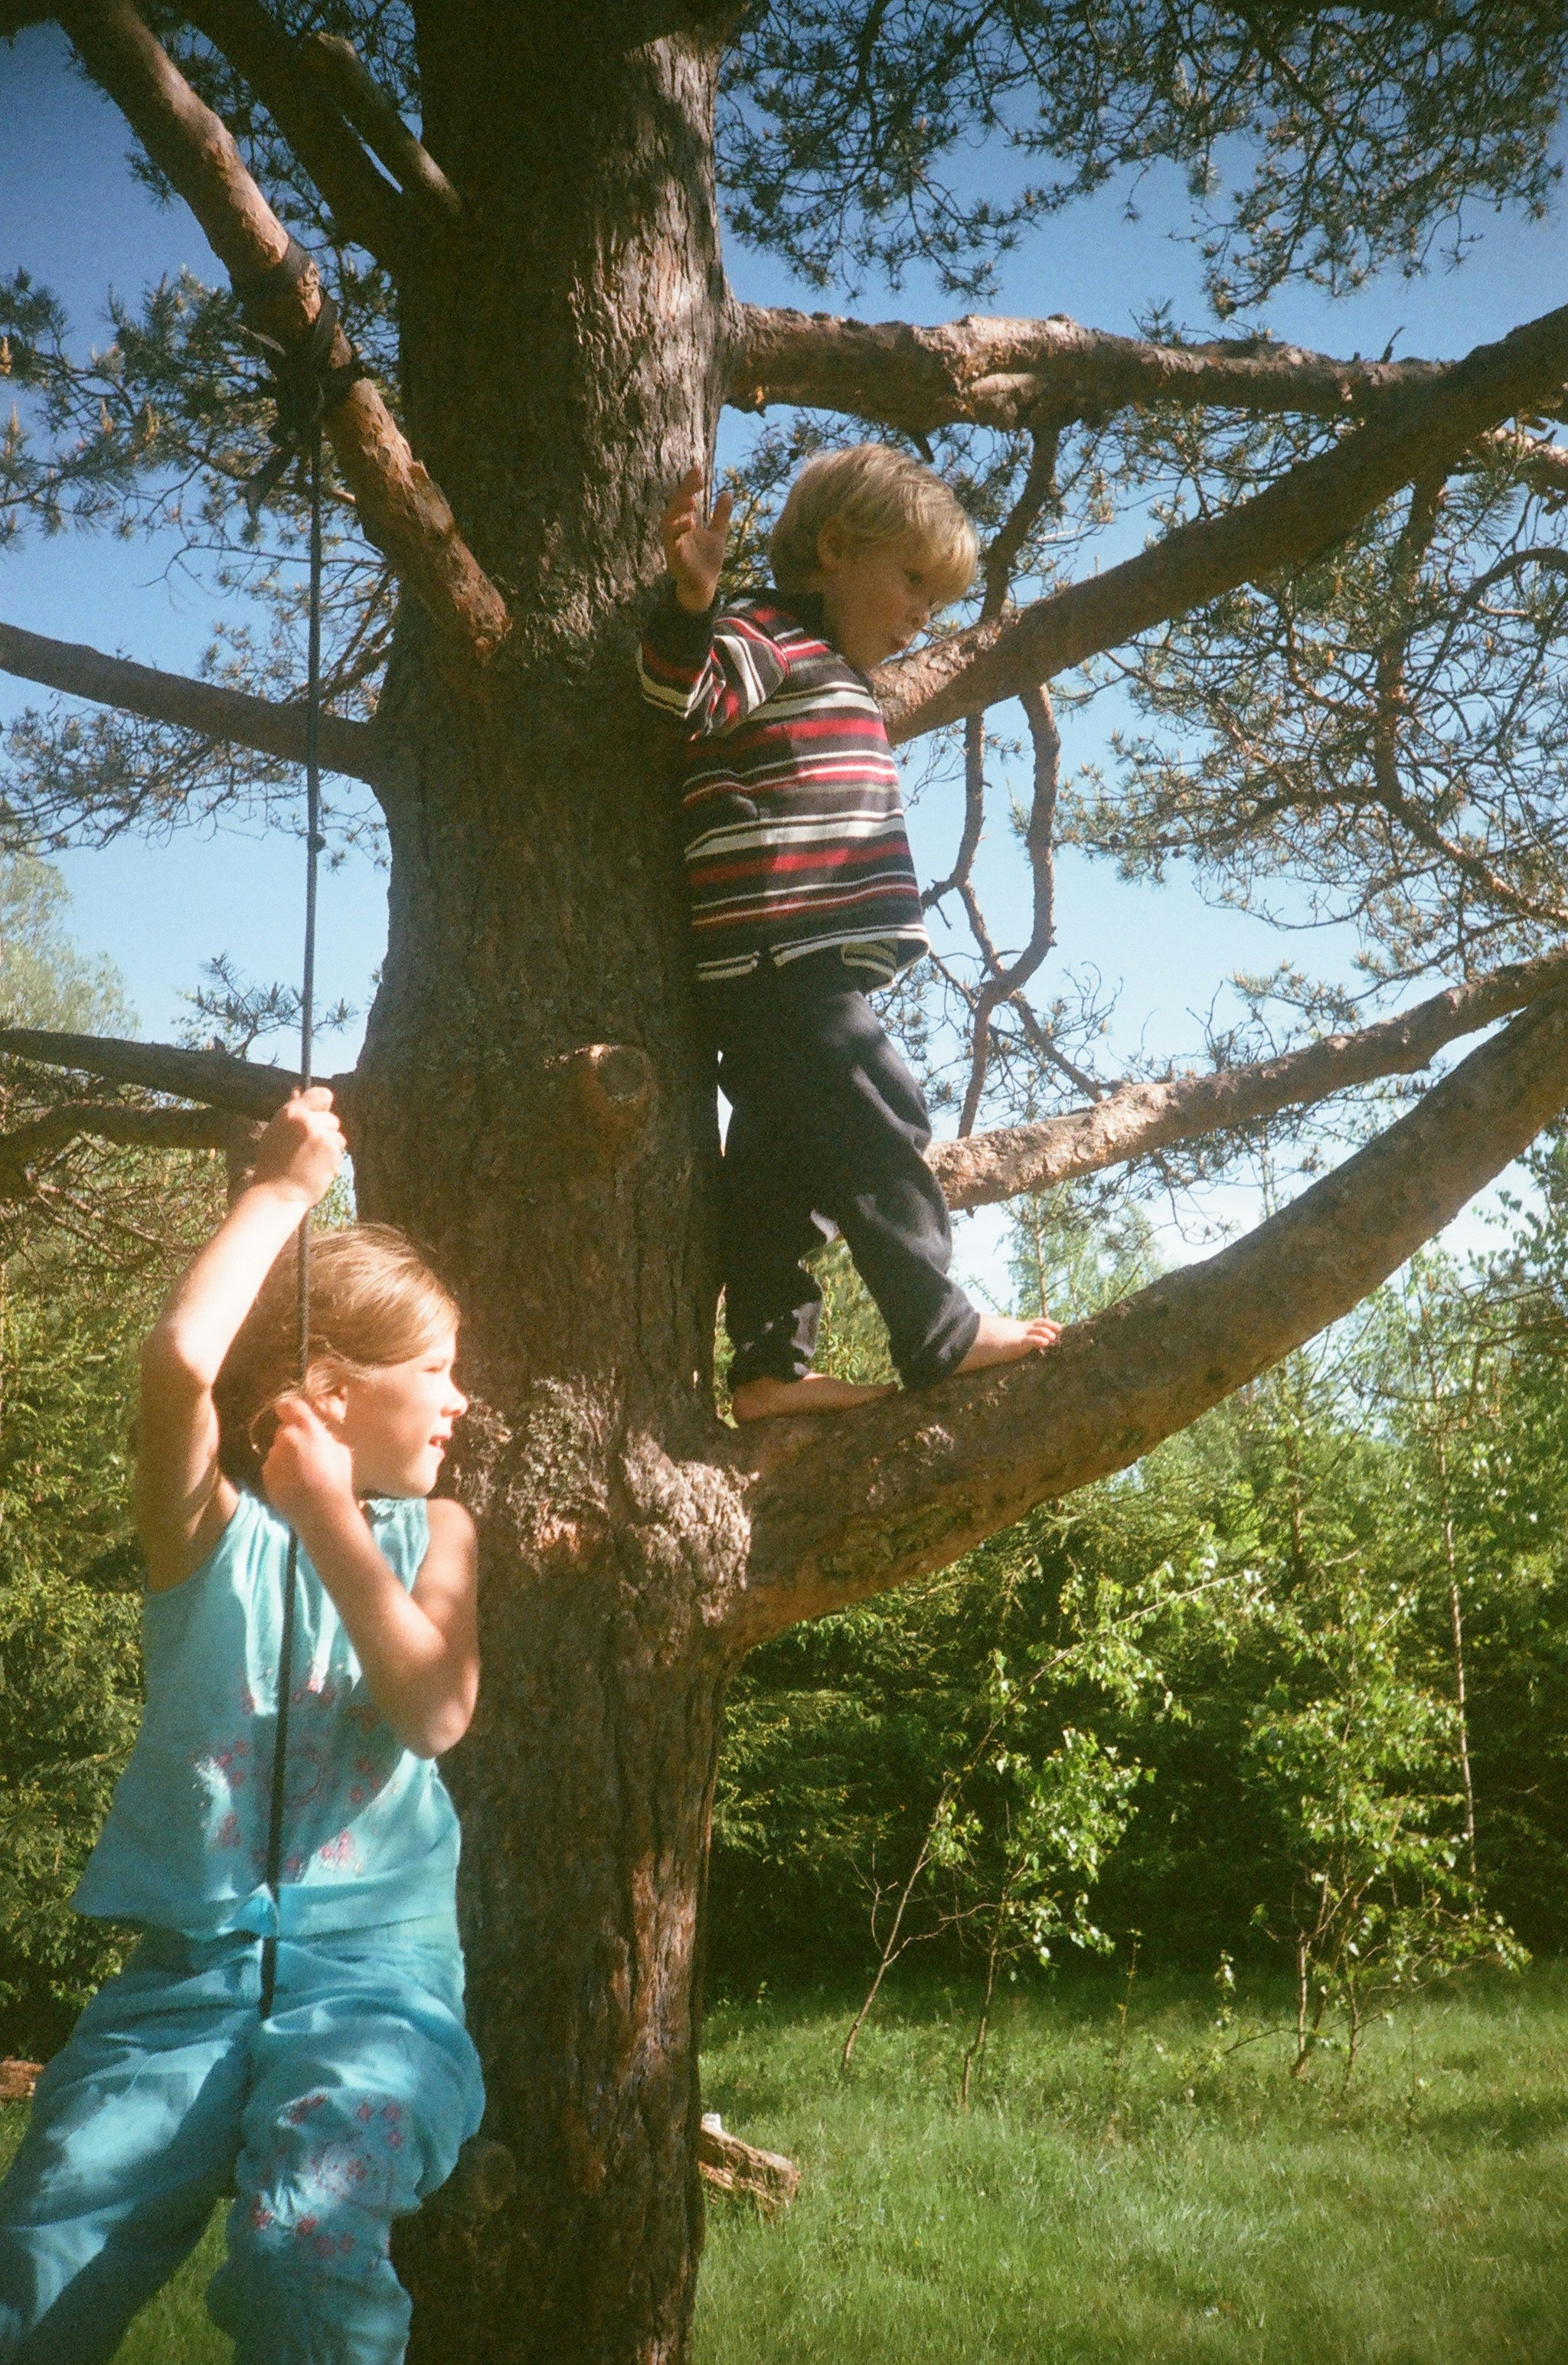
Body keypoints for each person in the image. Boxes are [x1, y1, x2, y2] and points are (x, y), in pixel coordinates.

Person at [0, 1088, 484, 2365]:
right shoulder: (203, 1529)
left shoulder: (437, 1533)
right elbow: (178, 1364)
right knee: (35, 2272)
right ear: (332, 1385)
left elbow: (433, 1708)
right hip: (180, 1984)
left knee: (301, 2253)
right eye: (434, 1367)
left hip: (378, 1992)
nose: (460, 1399)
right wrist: (280, 1191)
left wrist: (331, 1512)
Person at [639, 441, 1062, 1423]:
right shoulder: (768, 632)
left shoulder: (830, 668)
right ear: (834, 546)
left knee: (779, 1175)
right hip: (781, 958)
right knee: (885, 1119)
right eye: (912, 581)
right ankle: (936, 1327)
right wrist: (694, 601)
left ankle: (766, 1371)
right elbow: (679, 698)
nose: (923, 614)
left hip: (782, 965)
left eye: (939, 601)